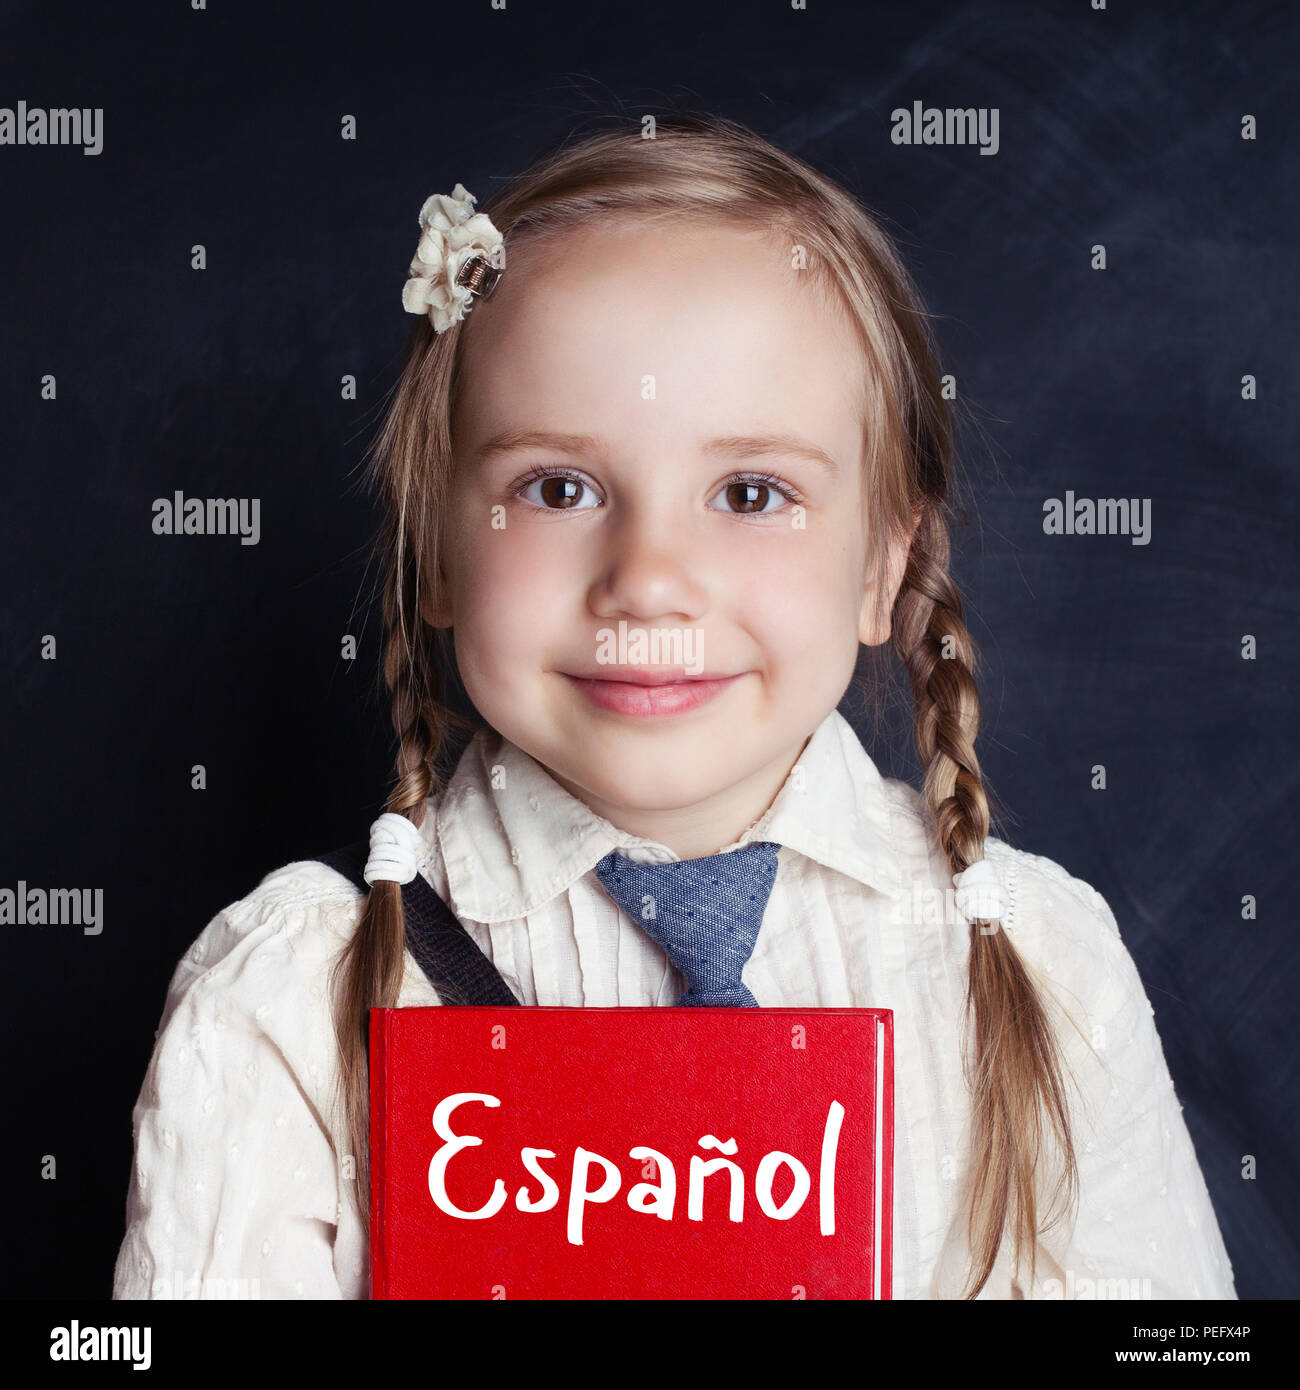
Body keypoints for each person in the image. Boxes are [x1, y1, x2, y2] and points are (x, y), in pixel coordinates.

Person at [112, 113, 1236, 1301]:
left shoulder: (1036, 966)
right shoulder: (292, 995)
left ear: (881, 569)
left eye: (750, 492)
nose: (647, 573)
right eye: (558, 486)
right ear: (437, 549)